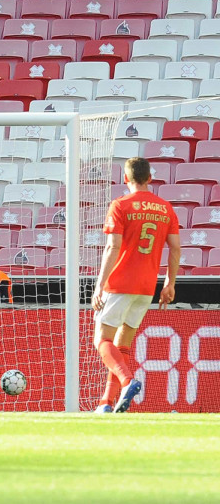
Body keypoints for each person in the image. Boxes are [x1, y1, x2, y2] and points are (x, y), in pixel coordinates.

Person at [91, 157, 181, 414]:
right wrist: (169, 284)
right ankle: (106, 403)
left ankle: (128, 381)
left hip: (119, 283)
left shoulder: (120, 205)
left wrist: (99, 286)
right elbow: (175, 248)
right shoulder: (166, 208)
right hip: (146, 286)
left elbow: (112, 246)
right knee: (122, 345)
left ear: (126, 179)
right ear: (150, 178)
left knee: (102, 339)